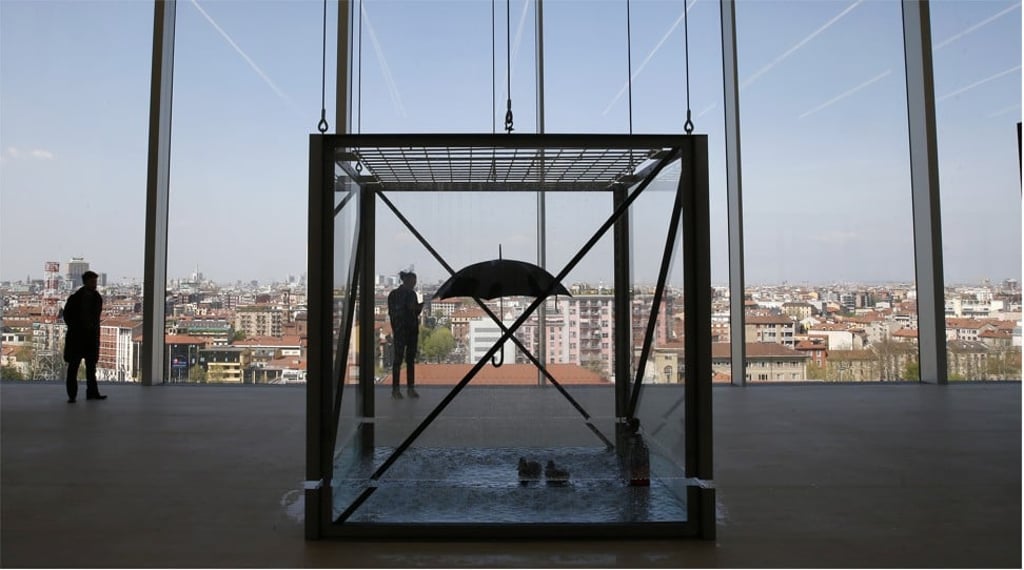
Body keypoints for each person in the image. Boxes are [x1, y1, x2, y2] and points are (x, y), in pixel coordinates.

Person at [62, 270, 106, 403]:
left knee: (87, 368)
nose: (95, 284)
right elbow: (67, 316)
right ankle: (78, 394)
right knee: (76, 368)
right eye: (93, 281)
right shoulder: (81, 298)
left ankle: (85, 394)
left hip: (85, 338)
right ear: (86, 282)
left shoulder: (85, 297)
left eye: (95, 282)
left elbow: (67, 316)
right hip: (80, 338)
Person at [387, 271, 423, 399]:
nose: (414, 284)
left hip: (402, 330)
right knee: (406, 360)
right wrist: (417, 308)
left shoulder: (395, 294)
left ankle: (398, 389)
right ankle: (407, 389)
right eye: (413, 281)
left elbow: (393, 313)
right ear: (407, 281)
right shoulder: (406, 294)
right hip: (408, 330)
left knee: (401, 360)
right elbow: (409, 311)